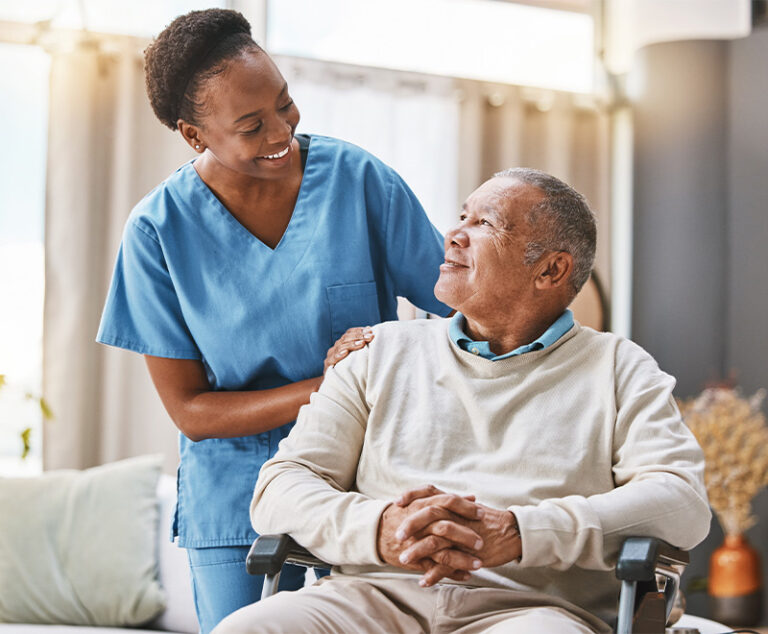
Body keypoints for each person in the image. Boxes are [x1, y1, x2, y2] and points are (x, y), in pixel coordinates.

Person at [214, 168, 711, 634]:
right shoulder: (377, 351)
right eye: (462, 218)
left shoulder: (620, 367)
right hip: (372, 596)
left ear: (550, 270)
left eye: (486, 224)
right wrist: (381, 527)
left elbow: (681, 501)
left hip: (532, 610)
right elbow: (280, 487)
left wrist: (521, 531)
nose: (454, 235)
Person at [95, 8, 450, 633]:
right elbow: (191, 412)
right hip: (237, 493)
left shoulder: (358, 180)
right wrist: (333, 386)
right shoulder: (157, 232)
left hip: (370, 480)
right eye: (252, 125)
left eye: (285, 104)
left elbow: (463, 310)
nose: (281, 130)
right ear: (194, 134)